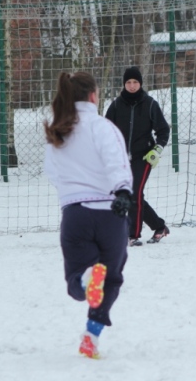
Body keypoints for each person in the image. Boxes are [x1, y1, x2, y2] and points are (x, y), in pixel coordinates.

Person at [44, 71, 134, 359]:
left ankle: (85, 279)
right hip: (110, 213)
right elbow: (116, 160)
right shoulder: (103, 127)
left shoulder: (59, 131)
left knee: (77, 279)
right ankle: (91, 337)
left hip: (75, 215)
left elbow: (52, 172)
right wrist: (122, 191)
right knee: (112, 278)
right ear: (94, 96)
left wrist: (72, 192)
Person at [105, 66, 171, 247]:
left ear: (140, 83)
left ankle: (132, 235)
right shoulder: (117, 105)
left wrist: (156, 149)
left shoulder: (150, 104)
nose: (132, 85)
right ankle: (159, 226)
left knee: (134, 193)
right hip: (122, 159)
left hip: (144, 156)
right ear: (124, 84)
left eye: (135, 82)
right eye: (128, 82)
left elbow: (163, 130)